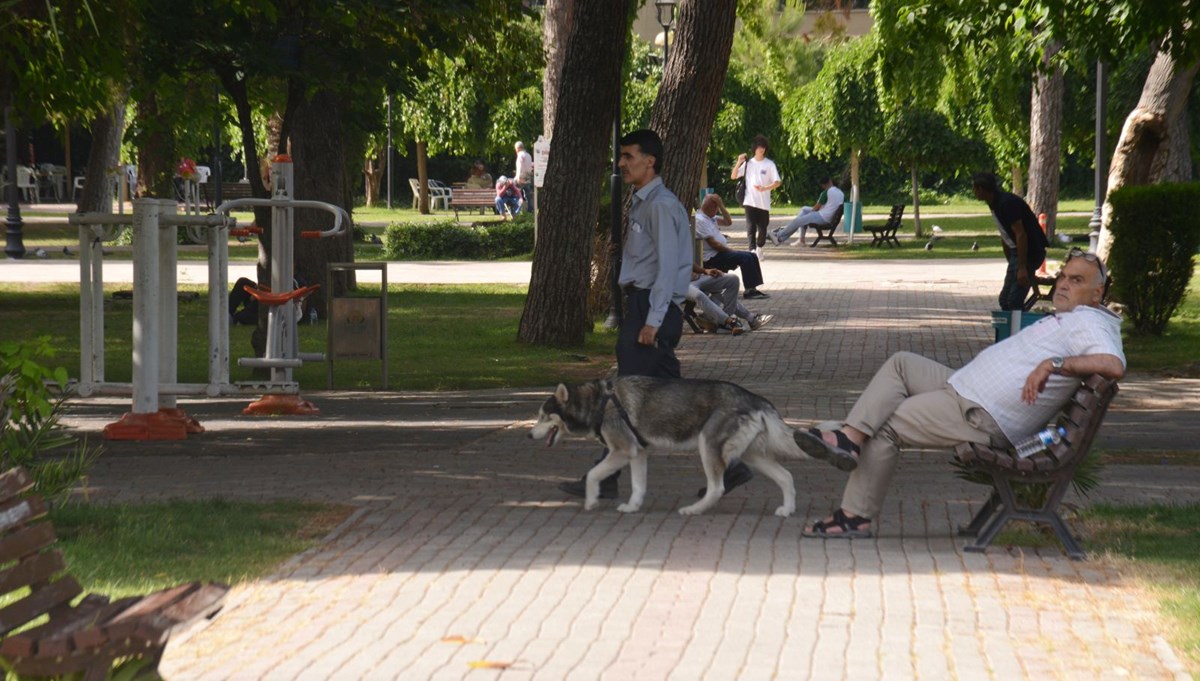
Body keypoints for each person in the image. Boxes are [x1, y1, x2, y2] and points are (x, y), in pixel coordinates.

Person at [796, 249, 1124, 538]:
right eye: (1063, 276)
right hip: (964, 390)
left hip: (981, 414)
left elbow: (1113, 363)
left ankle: (855, 517)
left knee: (885, 426)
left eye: (1076, 280)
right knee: (901, 364)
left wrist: (1052, 364)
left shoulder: (1090, 322)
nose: (1064, 284)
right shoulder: (1075, 317)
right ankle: (849, 438)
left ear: (1097, 294)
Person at [559, 128, 754, 499]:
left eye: (629, 156)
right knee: (672, 399)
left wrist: (652, 319)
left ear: (650, 161)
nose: (621, 164)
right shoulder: (646, 201)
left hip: (651, 307)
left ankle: (604, 481)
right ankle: (731, 465)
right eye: (621, 156)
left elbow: (668, 268)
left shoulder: (661, 205)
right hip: (647, 305)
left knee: (624, 396)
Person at [972, 172, 1049, 310]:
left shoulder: (1007, 203)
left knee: (1013, 301)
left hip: (1030, 252)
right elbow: (1005, 233)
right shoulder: (994, 203)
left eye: (975, 189)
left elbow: (1021, 234)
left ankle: (1023, 328)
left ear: (981, 189)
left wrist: (1021, 268)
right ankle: (1012, 329)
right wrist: (1011, 263)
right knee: (1005, 301)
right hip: (1016, 253)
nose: (974, 192)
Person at [695, 193, 770, 299]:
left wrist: (721, 206)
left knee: (752, 255)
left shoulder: (710, 217)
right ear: (711, 208)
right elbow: (714, 244)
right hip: (712, 257)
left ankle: (753, 289)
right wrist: (730, 251)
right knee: (745, 258)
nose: (718, 211)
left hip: (720, 253)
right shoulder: (701, 220)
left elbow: (728, 222)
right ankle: (749, 291)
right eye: (717, 208)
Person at [731, 135, 781, 260]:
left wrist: (765, 188)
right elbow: (734, 176)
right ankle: (752, 250)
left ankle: (760, 247)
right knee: (750, 227)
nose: (761, 149)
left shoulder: (769, 164)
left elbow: (777, 182)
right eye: (759, 146)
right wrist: (739, 162)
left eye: (763, 147)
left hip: (763, 202)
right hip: (749, 200)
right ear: (754, 148)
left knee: (763, 228)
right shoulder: (749, 164)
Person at [689, 264, 775, 334]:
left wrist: (705, 271)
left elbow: (688, 263)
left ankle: (724, 321)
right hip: (681, 285)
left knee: (732, 279)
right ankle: (730, 321)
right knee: (699, 295)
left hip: (697, 278)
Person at [768, 176, 844, 246]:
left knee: (797, 221)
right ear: (830, 181)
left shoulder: (826, 192)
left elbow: (816, 208)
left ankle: (778, 236)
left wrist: (808, 216)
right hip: (829, 216)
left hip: (823, 217)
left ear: (823, 185)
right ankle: (800, 239)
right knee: (804, 210)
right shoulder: (840, 193)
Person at [514, 141, 534, 212]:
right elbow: (531, 166)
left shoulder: (520, 155)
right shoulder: (529, 155)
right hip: (528, 178)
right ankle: (530, 210)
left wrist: (518, 177)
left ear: (518, 148)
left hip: (521, 178)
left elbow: (519, 167)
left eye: (515, 148)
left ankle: (517, 211)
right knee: (528, 195)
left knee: (516, 195)